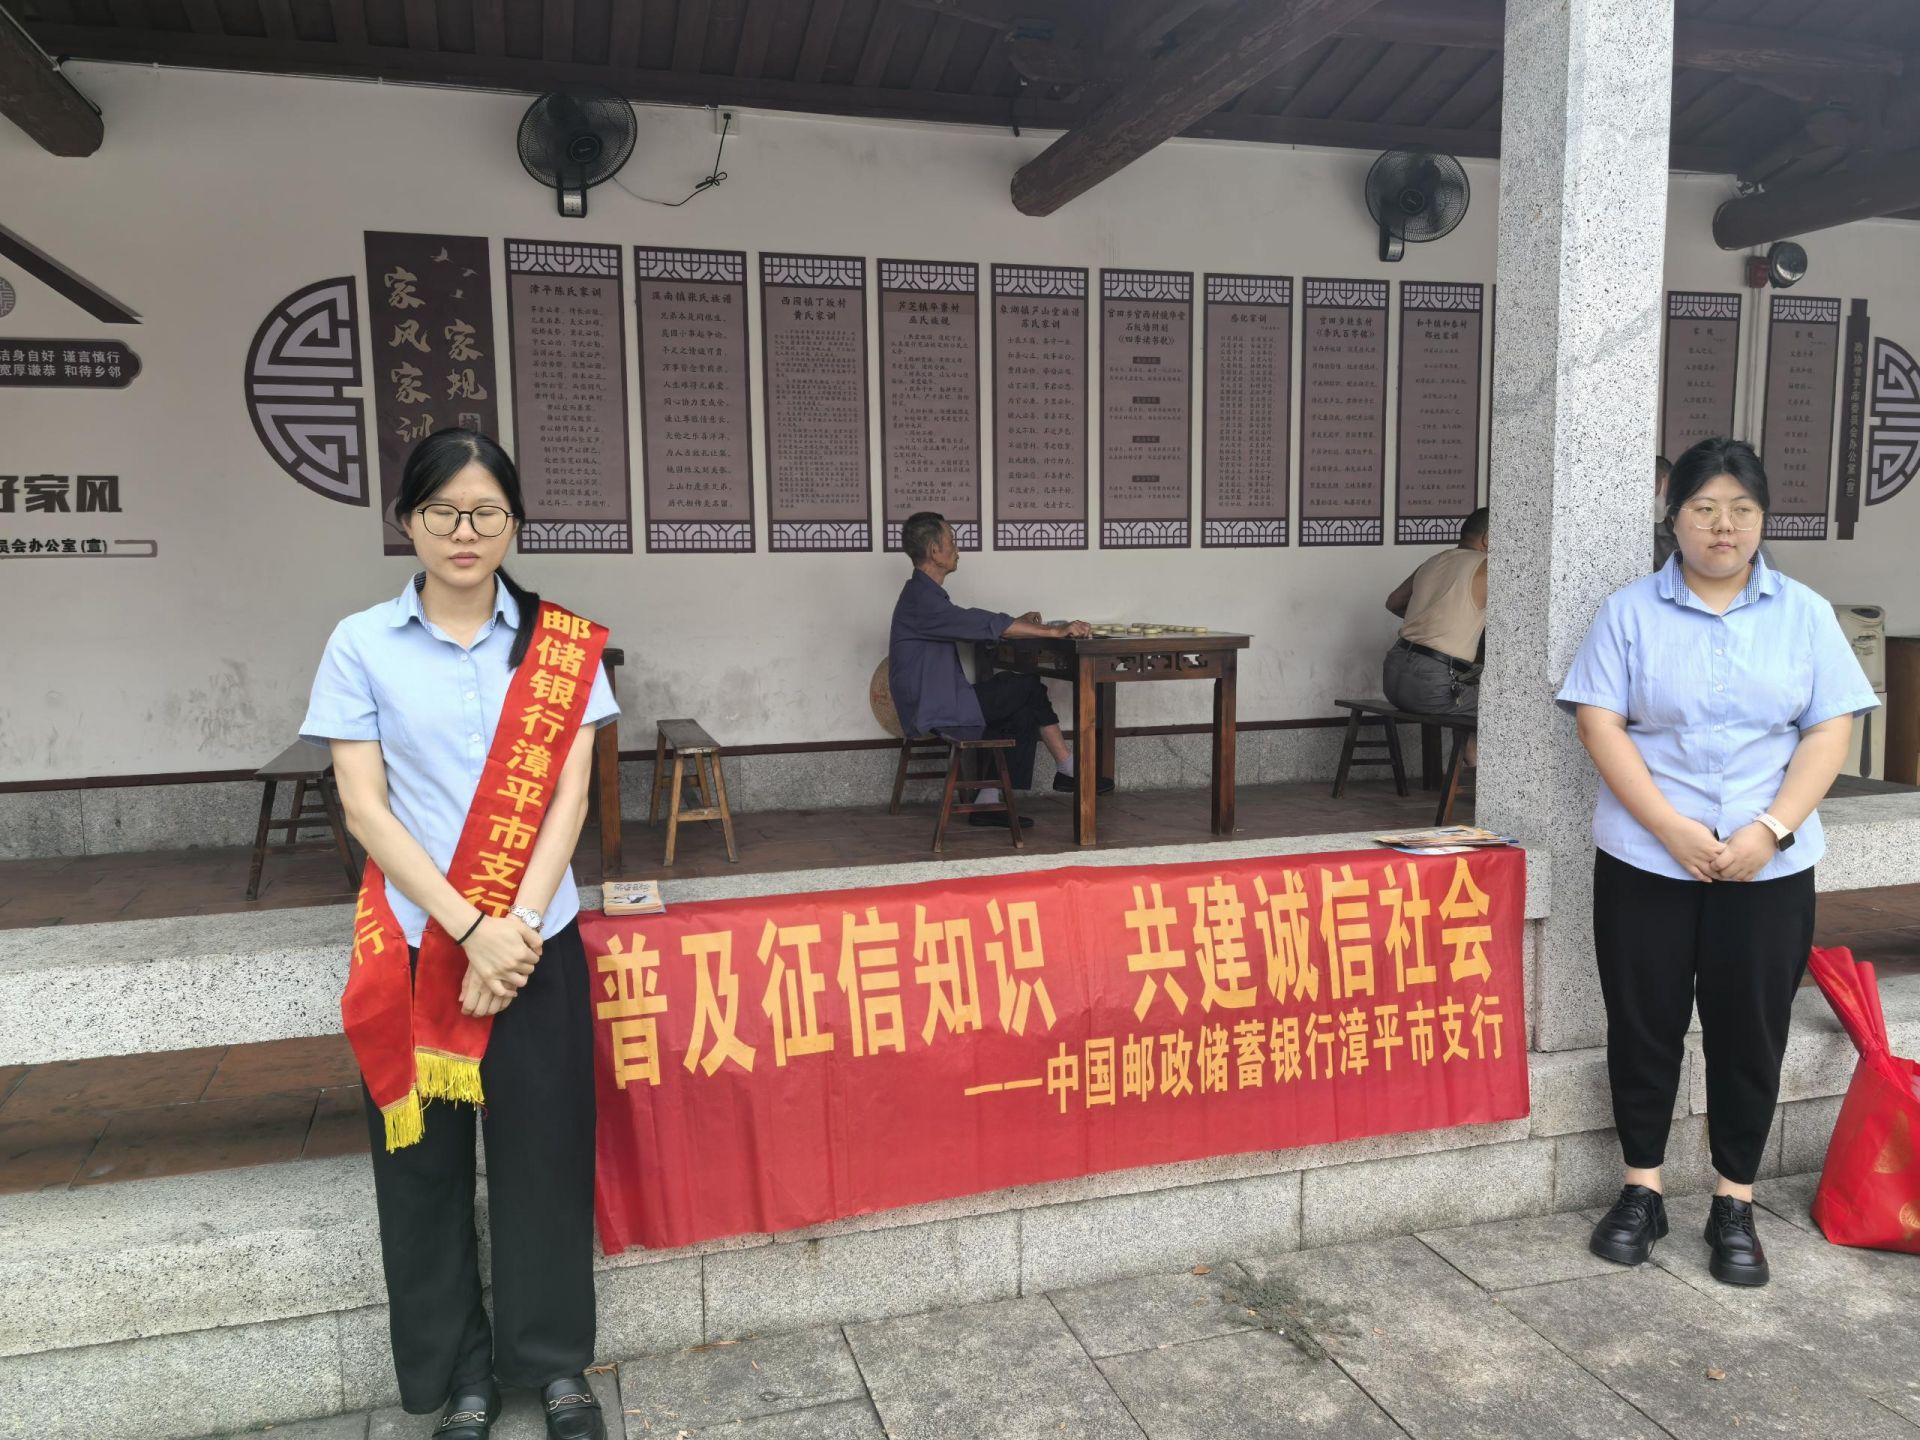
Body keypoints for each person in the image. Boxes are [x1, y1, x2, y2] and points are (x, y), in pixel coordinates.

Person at [301, 429, 618, 1438]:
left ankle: (553, 1364)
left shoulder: (564, 646)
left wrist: (513, 930)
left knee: (544, 1159)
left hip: (535, 946)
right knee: (424, 1173)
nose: (464, 531)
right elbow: (364, 807)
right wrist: (469, 927)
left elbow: (570, 799)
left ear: (514, 523)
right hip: (419, 950)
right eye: (442, 511)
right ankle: (459, 1377)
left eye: (486, 512)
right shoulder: (360, 643)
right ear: (408, 522)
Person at [1558, 436, 1876, 1288]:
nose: (1722, 526)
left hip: (1767, 867)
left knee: (1750, 1031)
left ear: (1763, 520)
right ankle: (1643, 1189)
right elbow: (1599, 722)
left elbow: (1829, 729)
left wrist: (1770, 830)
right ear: (1675, 519)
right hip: (1646, 859)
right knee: (1644, 1023)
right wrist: (1669, 829)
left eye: (1741, 509)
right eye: (1704, 508)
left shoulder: (1805, 614)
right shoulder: (1629, 612)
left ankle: (1734, 1201)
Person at [889, 511, 1104, 827]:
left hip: (942, 700)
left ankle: (989, 802)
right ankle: (1068, 767)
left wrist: (1015, 624)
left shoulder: (922, 595)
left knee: (1023, 709)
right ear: (935, 550)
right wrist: (1054, 631)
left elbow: (970, 623)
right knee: (1028, 687)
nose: (958, 549)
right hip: (936, 707)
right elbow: (974, 621)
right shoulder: (922, 599)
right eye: (953, 541)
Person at [1383, 506, 1489, 726]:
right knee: (1506, 704)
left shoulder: (1434, 560)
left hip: (1392, 677)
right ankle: (1469, 749)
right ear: (1487, 539)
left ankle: (1467, 747)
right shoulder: (1488, 567)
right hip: (1432, 686)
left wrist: (1430, 621)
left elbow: (1393, 602)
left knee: (1474, 689)